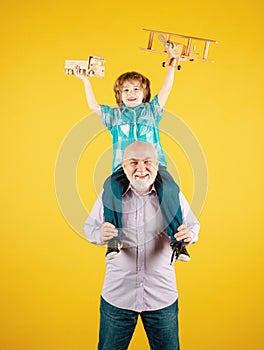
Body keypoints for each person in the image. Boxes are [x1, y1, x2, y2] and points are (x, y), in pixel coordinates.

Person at [83, 141, 200, 350]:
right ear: (124, 166)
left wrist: (190, 234)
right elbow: (89, 227)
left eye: (147, 162)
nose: (141, 168)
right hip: (118, 297)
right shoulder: (110, 195)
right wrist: (100, 235)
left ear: (157, 164)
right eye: (133, 162)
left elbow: (193, 225)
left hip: (161, 297)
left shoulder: (172, 195)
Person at [73, 57, 190, 262]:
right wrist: (85, 80)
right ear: (119, 96)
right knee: (110, 187)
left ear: (145, 93)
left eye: (136, 89)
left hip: (155, 166)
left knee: (170, 189)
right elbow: (93, 106)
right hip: (123, 167)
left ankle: (177, 242)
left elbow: (166, 90)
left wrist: (172, 66)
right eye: (126, 90)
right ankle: (113, 239)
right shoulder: (114, 116)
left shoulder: (152, 112)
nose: (131, 93)